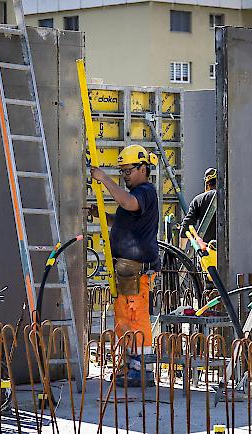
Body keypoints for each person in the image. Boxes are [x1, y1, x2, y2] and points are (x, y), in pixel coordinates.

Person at [89, 144, 159, 387]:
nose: (125, 176)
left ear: (143, 168)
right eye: (122, 173)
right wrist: (101, 215)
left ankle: (143, 369)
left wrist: (105, 179)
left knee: (136, 316)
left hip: (137, 268)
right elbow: (124, 219)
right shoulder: (136, 194)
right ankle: (130, 365)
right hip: (126, 268)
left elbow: (129, 203)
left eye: (128, 171)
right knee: (124, 319)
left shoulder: (145, 192)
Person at [179, 167, 217, 249]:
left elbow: (187, 225)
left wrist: (181, 251)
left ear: (207, 184)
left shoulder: (199, 200)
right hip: (230, 251)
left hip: (207, 252)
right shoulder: (229, 197)